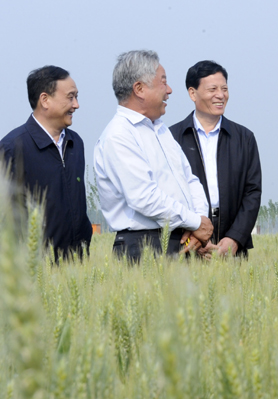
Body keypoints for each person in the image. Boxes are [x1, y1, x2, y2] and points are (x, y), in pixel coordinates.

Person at [94, 50, 212, 261]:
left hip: (183, 239)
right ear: (139, 89)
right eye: (163, 82)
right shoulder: (119, 135)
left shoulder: (161, 130)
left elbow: (190, 179)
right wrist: (195, 223)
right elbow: (144, 197)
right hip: (145, 246)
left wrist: (199, 220)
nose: (169, 90)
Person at [170, 60, 262, 258]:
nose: (220, 95)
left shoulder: (244, 138)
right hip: (186, 244)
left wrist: (235, 238)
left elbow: (252, 192)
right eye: (213, 89)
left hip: (232, 245)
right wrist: (194, 233)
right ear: (192, 93)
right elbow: (168, 192)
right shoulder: (171, 138)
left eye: (224, 89)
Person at [0, 66, 92, 261]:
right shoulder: (12, 148)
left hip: (77, 267)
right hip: (33, 269)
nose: (76, 105)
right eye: (70, 97)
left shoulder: (76, 143)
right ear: (45, 100)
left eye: (76, 97)